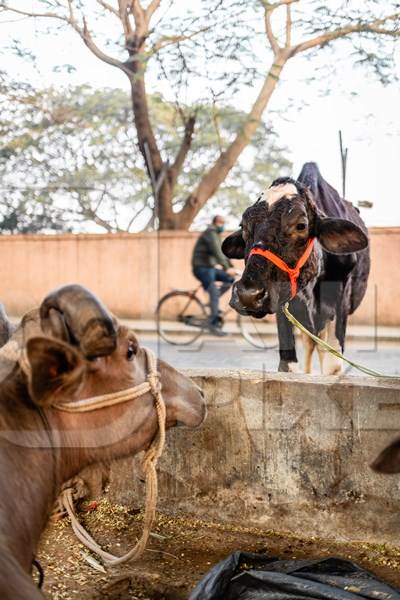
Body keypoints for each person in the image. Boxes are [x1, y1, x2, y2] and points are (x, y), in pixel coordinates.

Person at [192, 215, 236, 336]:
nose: (223, 226)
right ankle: (213, 326)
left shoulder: (215, 234)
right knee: (214, 292)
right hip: (201, 268)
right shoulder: (210, 233)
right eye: (222, 223)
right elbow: (217, 252)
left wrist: (231, 268)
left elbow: (222, 253)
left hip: (209, 268)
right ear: (217, 223)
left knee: (229, 279)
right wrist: (227, 268)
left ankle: (212, 301)